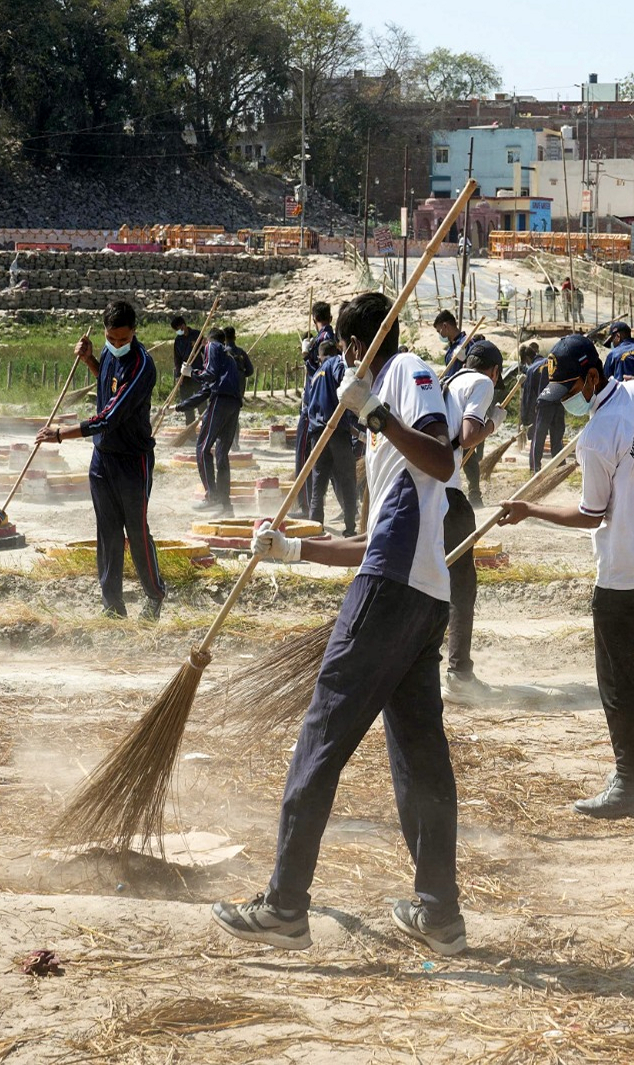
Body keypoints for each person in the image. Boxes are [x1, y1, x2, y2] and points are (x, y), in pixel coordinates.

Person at [217, 291, 465, 956]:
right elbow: (373, 540)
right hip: (419, 594)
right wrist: (292, 550)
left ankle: (284, 905)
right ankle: (439, 915)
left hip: (391, 595)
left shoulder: (405, 372)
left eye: (346, 353)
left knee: (321, 736)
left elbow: (444, 459)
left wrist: (376, 411)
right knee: (419, 757)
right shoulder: (386, 427)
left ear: (357, 347)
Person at [500, 334, 634, 818]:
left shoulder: (596, 437)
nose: (567, 401)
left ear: (592, 377)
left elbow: (590, 515)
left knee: (615, 679)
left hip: (622, 569)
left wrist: (529, 509)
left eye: (570, 390)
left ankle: (629, 785)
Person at [35, 301, 165, 621]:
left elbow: (109, 417)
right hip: (102, 458)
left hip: (133, 460)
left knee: (136, 531)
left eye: (124, 339)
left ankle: (154, 595)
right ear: (105, 332)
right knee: (107, 532)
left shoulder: (142, 365)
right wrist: (90, 359)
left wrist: (60, 434)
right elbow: (107, 382)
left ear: (134, 332)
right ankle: (112, 606)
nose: (117, 344)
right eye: (112, 338)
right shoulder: (108, 351)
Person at [441, 340, 506, 701]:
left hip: (423, 493)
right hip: (447, 499)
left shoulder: (450, 381)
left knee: (429, 582)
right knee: (461, 586)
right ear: (494, 372)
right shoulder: (481, 384)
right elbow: (468, 436)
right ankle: (459, 674)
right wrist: (493, 423)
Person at [177, 327, 244, 514]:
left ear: (207, 340)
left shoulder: (212, 346)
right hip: (233, 403)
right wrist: (180, 407)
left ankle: (212, 496)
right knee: (221, 454)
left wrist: (191, 373)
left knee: (202, 448)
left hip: (221, 400)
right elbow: (206, 390)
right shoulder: (228, 357)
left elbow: (210, 374)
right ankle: (225, 505)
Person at [296, 341, 359, 535]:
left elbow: (309, 405)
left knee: (319, 482)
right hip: (336, 432)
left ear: (320, 356)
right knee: (347, 480)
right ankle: (350, 527)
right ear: (335, 351)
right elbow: (344, 381)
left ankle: (315, 526)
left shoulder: (315, 375)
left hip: (317, 434)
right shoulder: (335, 363)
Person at [526, 347, 565, 471]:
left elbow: (529, 395)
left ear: (527, 359)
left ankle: (535, 467)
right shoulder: (558, 365)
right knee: (557, 438)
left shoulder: (533, 369)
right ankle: (560, 466)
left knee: (539, 437)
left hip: (544, 406)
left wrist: (526, 418)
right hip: (558, 404)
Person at [223, 327, 254, 450]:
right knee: (234, 415)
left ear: (224, 339)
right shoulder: (241, 352)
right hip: (239, 387)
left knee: (225, 416)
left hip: (226, 387)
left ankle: (227, 442)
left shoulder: (223, 352)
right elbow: (250, 371)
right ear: (235, 337)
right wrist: (241, 374)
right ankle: (235, 443)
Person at [170, 315, 200, 427]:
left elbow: (206, 351)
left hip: (197, 372)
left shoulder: (197, 335)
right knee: (187, 403)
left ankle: (205, 429)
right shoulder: (178, 340)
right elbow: (177, 359)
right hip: (184, 373)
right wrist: (178, 375)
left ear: (183, 326)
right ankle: (190, 430)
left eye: (179, 329)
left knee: (201, 402)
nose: (178, 331)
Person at [434, 311, 468, 381]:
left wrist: (465, 359)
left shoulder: (466, 343)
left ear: (445, 326)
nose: (440, 335)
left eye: (439, 331)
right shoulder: (451, 347)